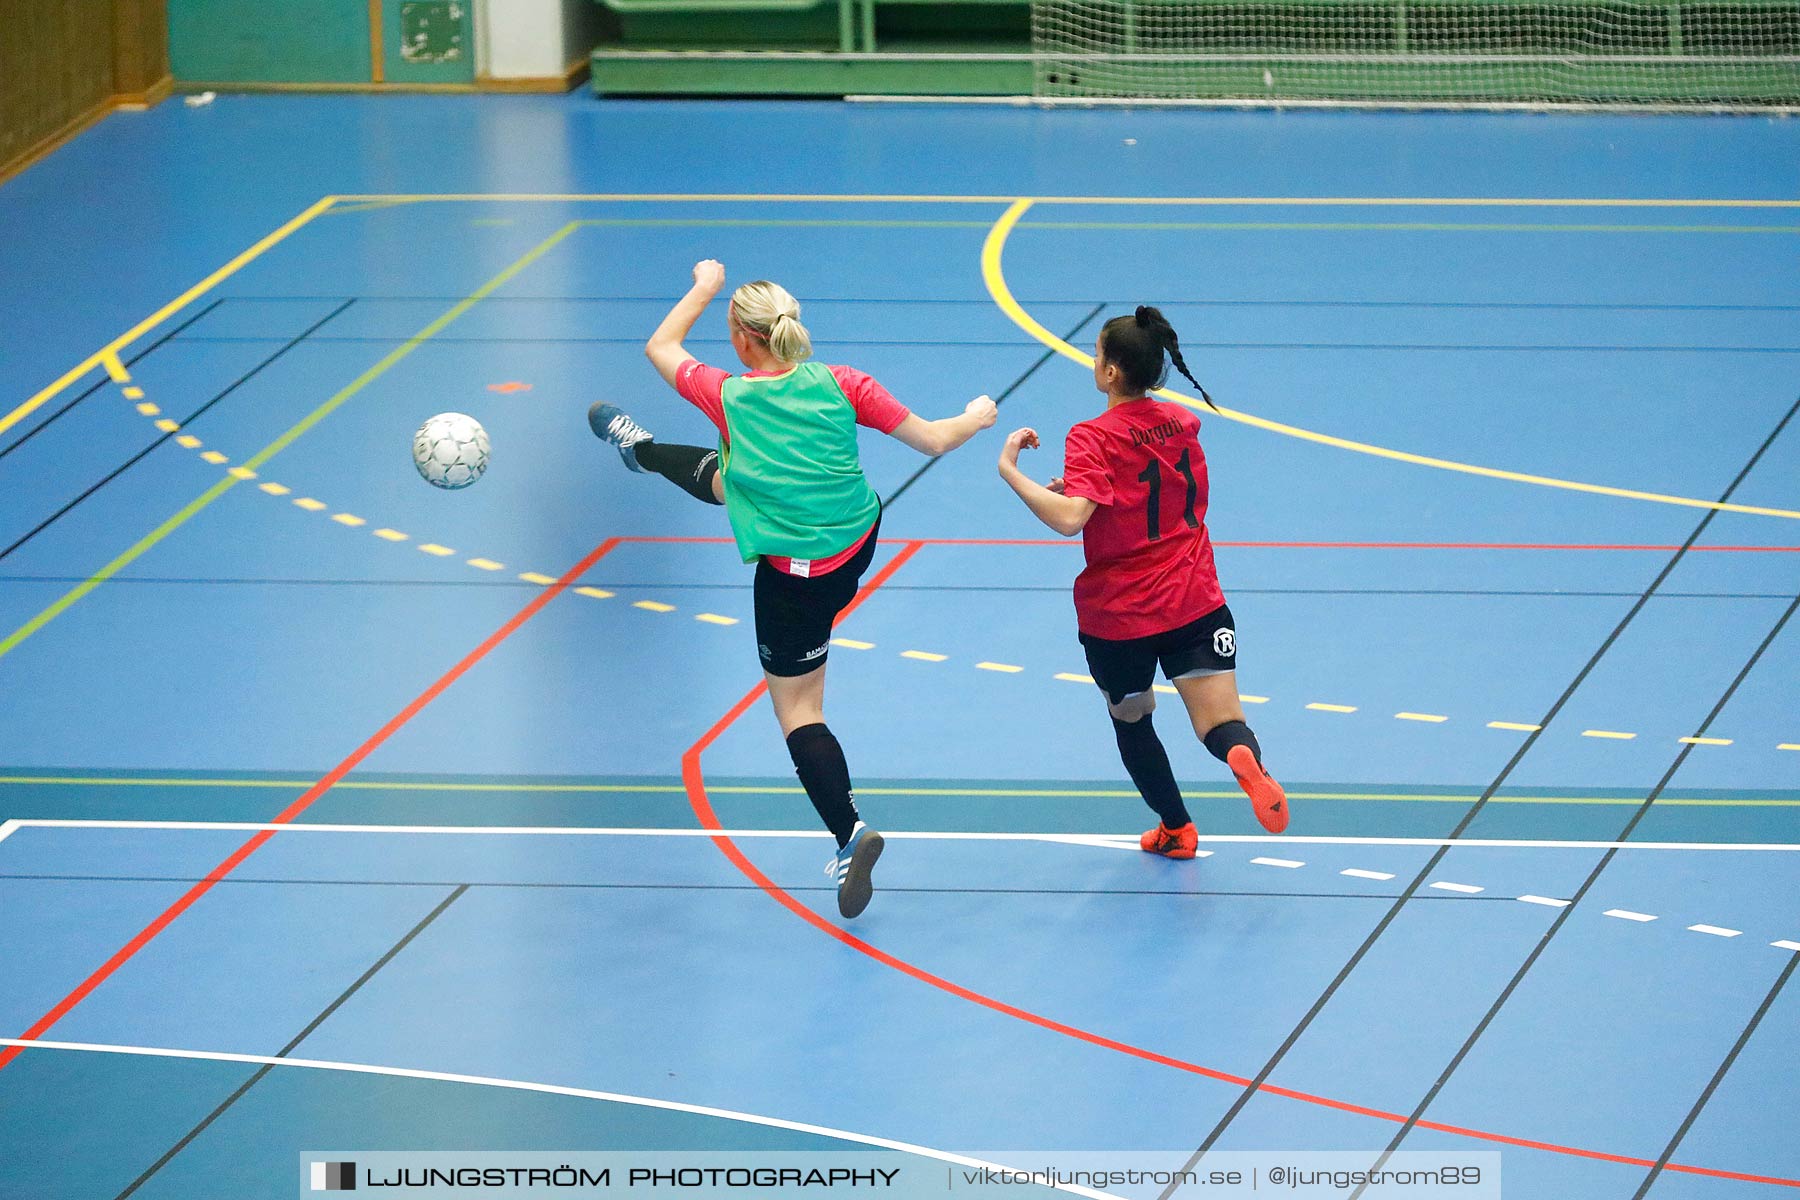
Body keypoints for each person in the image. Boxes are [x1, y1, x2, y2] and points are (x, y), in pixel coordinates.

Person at [590, 259, 997, 916]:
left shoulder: (727, 395)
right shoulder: (844, 383)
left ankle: (850, 832)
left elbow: (659, 347)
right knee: (732, 479)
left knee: (800, 711)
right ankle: (640, 450)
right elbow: (933, 439)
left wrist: (702, 286)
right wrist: (976, 415)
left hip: (794, 580)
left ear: (741, 338)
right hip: (857, 542)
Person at [996, 305, 1288, 858]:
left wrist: (1013, 473)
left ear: (1110, 372)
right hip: (1195, 599)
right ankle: (1241, 758)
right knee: (1221, 720)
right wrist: (1082, 486)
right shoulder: (1183, 422)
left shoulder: (1091, 435)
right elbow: (1135, 488)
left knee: (1132, 719)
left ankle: (1176, 828)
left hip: (1121, 617)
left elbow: (1069, 519)